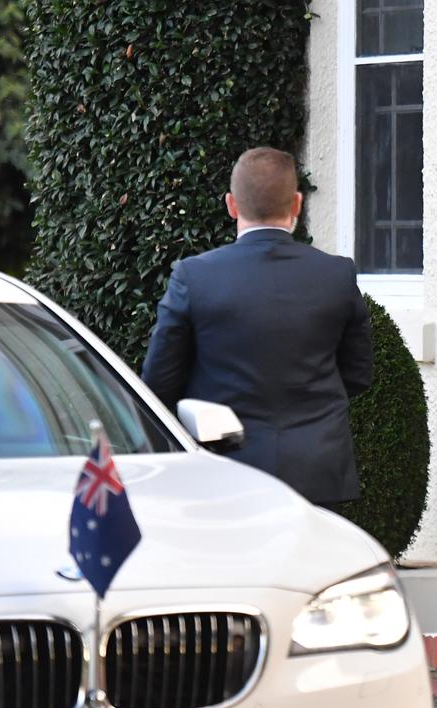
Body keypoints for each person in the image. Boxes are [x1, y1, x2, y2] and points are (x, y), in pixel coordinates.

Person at [142, 146, 373, 507]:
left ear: (232, 205)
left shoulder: (194, 276)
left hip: (226, 470)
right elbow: (359, 375)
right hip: (317, 470)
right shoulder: (336, 274)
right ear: (297, 204)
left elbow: (159, 382)